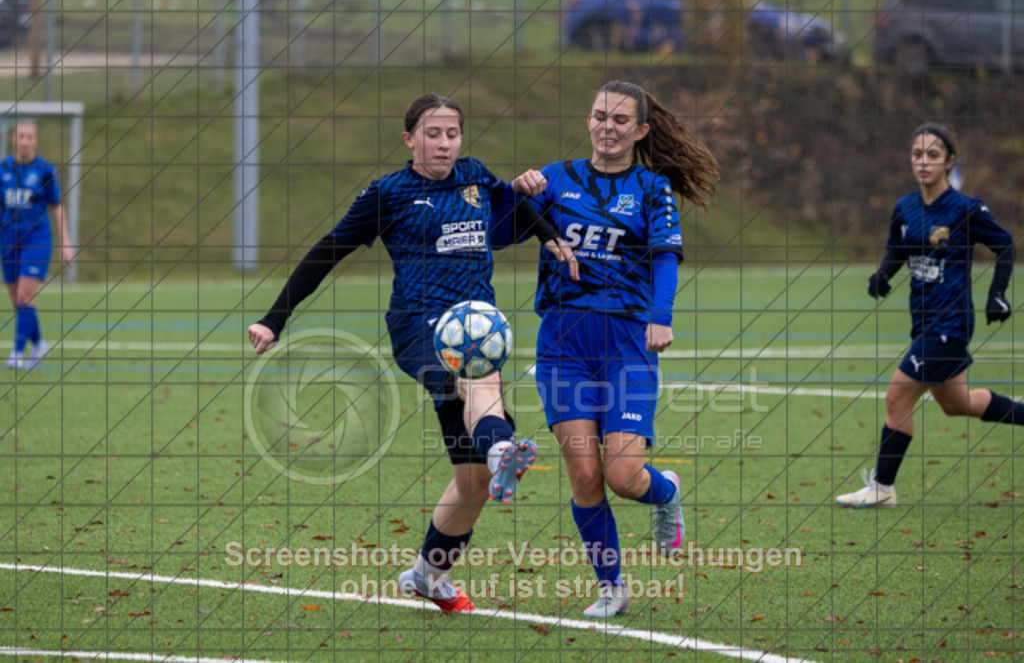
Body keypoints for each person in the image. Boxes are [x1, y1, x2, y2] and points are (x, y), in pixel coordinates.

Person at [247, 94, 577, 612]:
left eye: (452, 133)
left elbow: (511, 209)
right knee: (477, 374)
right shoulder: (389, 193)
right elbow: (327, 251)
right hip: (418, 326)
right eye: (433, 133)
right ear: (409, 138)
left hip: (475, 320)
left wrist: (550, 235)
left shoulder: (473, 177)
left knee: (473, 480)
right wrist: (275, 318)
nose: (444, 143)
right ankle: (502, 448)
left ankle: (427, 574)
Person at [526, 80, 718, 618]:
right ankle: (611, 586)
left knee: (622, 475)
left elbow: (664, 258)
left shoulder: (652, 188)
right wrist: (519, 194)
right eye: (598, 116)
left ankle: (665, 492)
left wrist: (661, 318)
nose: (606, 127)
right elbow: (500, 231)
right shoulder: (555, 178)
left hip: (629, 343)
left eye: (618, 120)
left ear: (640, 130)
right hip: (563, 341)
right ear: (588, 121)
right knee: (585, 474)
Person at [836, 122, 1021, 509]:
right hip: (923, 321)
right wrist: (882, 276)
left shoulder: (965, 209)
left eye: (933, 156)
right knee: (957, 403)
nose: (924, 162)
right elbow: (897, 250)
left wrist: (998, 295)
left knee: (896, 397)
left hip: (950, 324)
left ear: (949, 161)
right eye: (918, 155)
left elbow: (1005, 246)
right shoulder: (905, 208)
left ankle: (882, 489)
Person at [1, 119, 73, 369]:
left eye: (29, 137)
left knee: (24, 294)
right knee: (16, 297)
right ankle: (39, 343)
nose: (25, 141)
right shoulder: (3, 169)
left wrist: (65, 241)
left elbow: (57, 205)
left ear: (36, 140)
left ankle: (18, 353)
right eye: (21, 136)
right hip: (9, 237)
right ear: (14, 139)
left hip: (37, 237)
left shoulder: (44, 170)